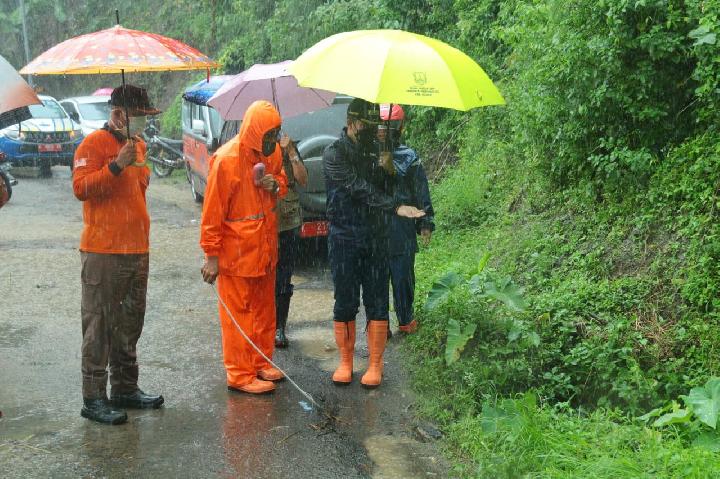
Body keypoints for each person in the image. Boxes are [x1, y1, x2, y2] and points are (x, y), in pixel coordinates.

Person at [72, 85, 164, 425]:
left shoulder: (139, 146)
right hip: (103, 251)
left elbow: (139, 190)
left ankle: (125, 387)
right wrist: (115, 166)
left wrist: (131, 158)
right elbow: (80, 188)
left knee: (130, 323)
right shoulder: (93, 145)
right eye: (140, 116)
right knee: (99, 324)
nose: (143, 123)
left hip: (137, 249)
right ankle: (93, 398)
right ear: (119, 115)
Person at [323, 98, 425, 389]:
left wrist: (389, 170)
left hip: (376, 237)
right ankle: (345, 361)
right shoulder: (334, 154)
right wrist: (394, 207)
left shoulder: (378, 152)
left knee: (378, 300)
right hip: (344, 238)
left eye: (375, 126)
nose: (373, 131)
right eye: (367, 126)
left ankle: (376, 363)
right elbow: (357, 188)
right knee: (345, 300)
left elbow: (388, 186)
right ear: (353, 123)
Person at [200, 100, 288, 395]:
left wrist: (274, 185)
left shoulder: (273, 153)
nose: (273, 141)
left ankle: (260, 362)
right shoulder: (226, 160)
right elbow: (212, 212)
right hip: (237, 255)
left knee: (264, 309)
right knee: (238, 314)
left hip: (264, 249)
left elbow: (283, 184)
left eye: (276, 135)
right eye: (268, 135)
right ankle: (239, 374)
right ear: (254, 132)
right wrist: (211, 256)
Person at [378, 104, 435, 334]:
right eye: (383, 126)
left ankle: (405, 318)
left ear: (399, 127)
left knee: (403, 278)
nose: (386, 130)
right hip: (376, 229)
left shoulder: (409, 157)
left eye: (390, 126)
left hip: (401, 228)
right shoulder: (366, 156)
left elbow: (421, 190)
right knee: (378, 281)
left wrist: (425, 222)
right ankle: (380, 325)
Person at [274, 134, 308, 348]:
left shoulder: (289, 148)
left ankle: (279, 327)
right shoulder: (254, 150)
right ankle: (263, 326)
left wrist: (291, 153)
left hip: (288, 222)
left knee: (284, 277)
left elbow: (303, 180)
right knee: (262, 278)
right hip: (263, 224)